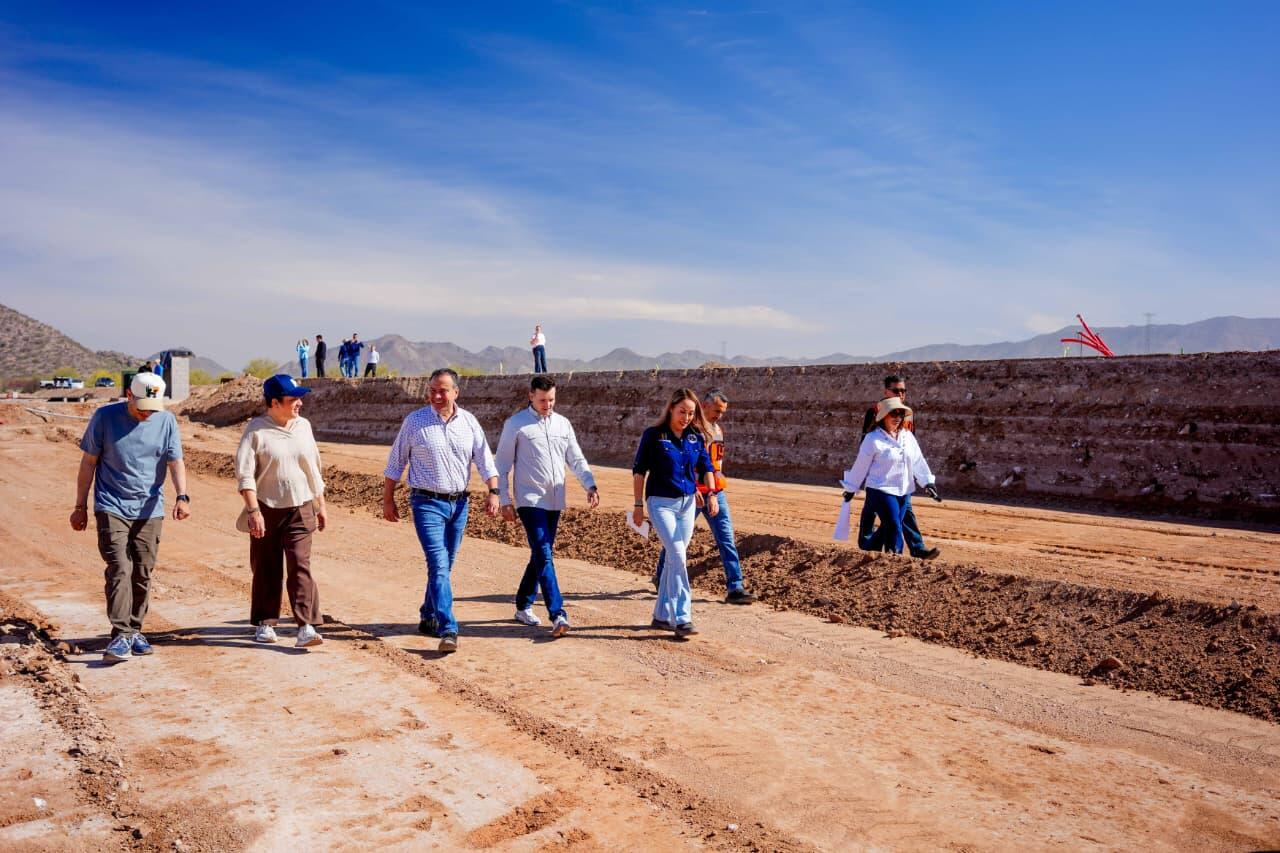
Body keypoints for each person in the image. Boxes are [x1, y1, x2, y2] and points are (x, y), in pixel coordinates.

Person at [69, 372, 190, 663]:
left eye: (153, 407)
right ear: (128, 396)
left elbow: (175, 461)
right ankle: (121, 634)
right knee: (120, 567)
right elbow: (88, 463)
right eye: (142, 406)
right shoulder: (104, 418)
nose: (147, 413)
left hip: (150, 509)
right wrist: (80, 506)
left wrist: (182, 496)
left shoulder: (166, 420)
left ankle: (135, 630)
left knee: (143, 572)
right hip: (111, 505)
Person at [382, 368, 500, 653]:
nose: (436, 395)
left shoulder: (469, 422)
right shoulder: (415, 422)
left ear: (455, 392)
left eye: (443, 390)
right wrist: (388, 499)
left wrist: (494, 491)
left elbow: (485, 459)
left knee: (445, 565)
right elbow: (395, 462)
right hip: (426, 503)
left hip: (460, 504)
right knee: (438, 564)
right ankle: (448, 628)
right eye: (432, 390)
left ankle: (427, 614)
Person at [495, 375, 599, 637]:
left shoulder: (563, 424)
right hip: (529, 500)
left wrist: (590, 485)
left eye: (551, 399)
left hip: (555, 500)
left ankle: (522, 605)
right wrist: (505, 500)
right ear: (531, 396)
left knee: (541, 553)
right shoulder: (516, 424)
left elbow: (576, 458)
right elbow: (502, 465)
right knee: (543, 550)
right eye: (542, 400)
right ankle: (558, 614)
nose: (547, 404)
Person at [236, 374, 327, 647]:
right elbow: (245, 475)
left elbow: (314, 468)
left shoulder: (304, 426)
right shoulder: (256, 431)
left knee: (300, 564)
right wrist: (253, 511)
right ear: (274, 402)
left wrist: (321, 505)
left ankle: (306, 626)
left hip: (301, 506)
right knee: (267, 566)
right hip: (266, 508)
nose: (299, 403)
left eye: (300, 398)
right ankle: (266, 622)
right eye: (293, 399)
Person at [652, 389, 754, 603]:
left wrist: (714, 490)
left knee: (726, 539)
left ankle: (735, 587)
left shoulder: (718, 431)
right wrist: (694, 489)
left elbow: (714, 465)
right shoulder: (689, 431)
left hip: (715, 494)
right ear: (704, 406)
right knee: (677, 540)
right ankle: (662, 578)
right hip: (691, 494)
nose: (720, 415)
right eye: (717, 410)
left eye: (723, 411)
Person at [632, 388, 718, 637]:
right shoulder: (654, 435)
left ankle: (661, 615)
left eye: (691, 413)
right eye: (682, 412)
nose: (687, 417)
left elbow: (706, 467)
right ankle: (682, 617)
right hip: (661, 503)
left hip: (687, 504)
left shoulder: (695, 437)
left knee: (673, 559)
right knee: (678, 555)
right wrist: (638, 505)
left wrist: (711, 493)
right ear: (671, 409)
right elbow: (639, 471)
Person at [835, 397, 940, 553]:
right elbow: (860, 466)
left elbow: (918, 460)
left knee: (890, 526)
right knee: (894, 525)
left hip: (904, 490)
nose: (897, 418)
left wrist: (927, 482)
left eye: (901, 414)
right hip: (880, 489)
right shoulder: (872, 439)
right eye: (893, 414)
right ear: (883, 416)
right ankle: (894, 557)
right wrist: (851, 488)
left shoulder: (908, 436)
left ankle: (870, 546)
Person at [858, 375, 940, 560]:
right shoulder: (875, 411)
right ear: (886, 392)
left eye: (903, 391)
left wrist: (924, 478)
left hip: (901, 477)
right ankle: (875, 545)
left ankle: (913, 549)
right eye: (896, 391)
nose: (900, 394)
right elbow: (866, 441)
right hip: (881, 476)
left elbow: (912, 444)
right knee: (882, 514)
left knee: (902, 514)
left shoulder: (907, 413)